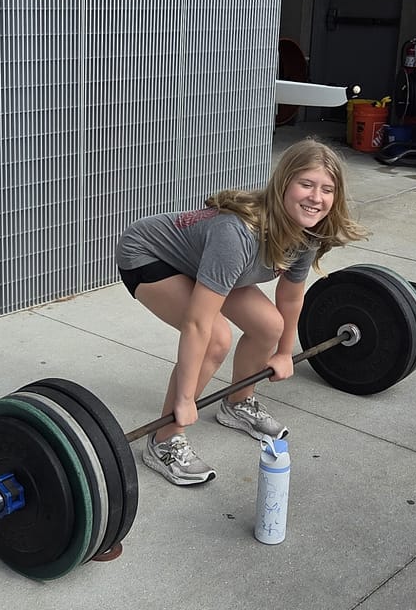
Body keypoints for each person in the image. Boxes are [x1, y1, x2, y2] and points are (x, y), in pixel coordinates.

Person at [115, 138, 367, 486]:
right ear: (283, 183)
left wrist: (283, 353)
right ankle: (164, 440)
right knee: (216, 338)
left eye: (327, 189)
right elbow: (198, 323)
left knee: (269, 325)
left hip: (202, 261)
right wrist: (185, 399)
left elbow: (291, 298)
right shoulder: (238, 234)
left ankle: (238, 402)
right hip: (148, 255)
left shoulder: (306, 233)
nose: (316, 197)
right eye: (306, 184)